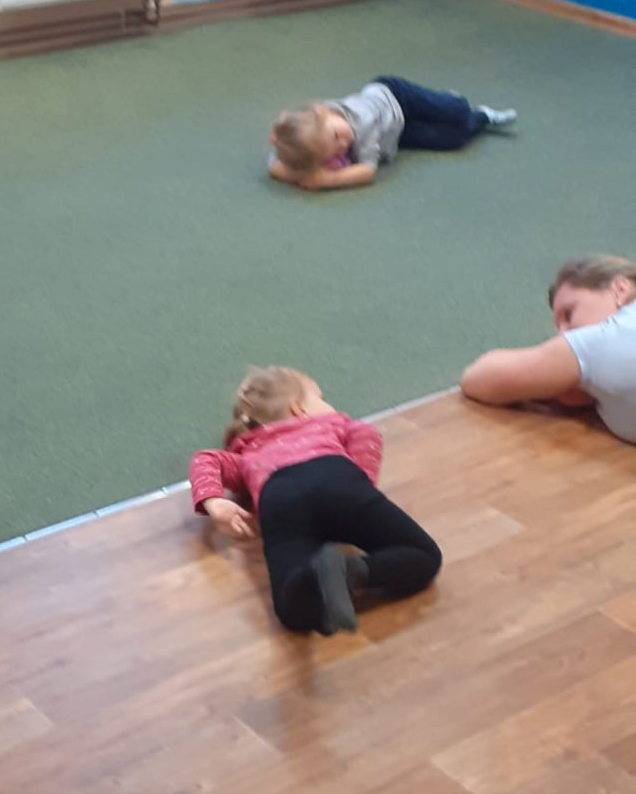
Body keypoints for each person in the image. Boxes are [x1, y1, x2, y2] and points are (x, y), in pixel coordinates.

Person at [189, 365, 442, 636]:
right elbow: (366, 433)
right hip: (337, 479)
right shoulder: (332, 424)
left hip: (281, 501)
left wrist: (214, 502)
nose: (330, 405)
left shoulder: (248, 451)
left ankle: (316, 576)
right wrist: (362, 488)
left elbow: (205, 460)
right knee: (424, 556)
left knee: (291, 607)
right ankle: (353, 570)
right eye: (322, 398)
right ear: (298, 409)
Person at [461, 256, 636, 441]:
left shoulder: (606, 337)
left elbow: (478, 378)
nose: (564, 335)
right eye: (559, 328)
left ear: (620, 289)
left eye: (569, 314)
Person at [268, 75, 517, 191]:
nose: (344, 144)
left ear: (323, 111)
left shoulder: (361, 125)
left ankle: (449, 99)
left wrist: (327, 180)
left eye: (336, 136)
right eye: (334, 150)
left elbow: (367, 172)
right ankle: (484, 116)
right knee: (455, 139)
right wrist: (302, 171)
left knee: (457, 111)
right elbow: (275, 164)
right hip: (395, 133)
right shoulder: (315, 136)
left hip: (395, 96)